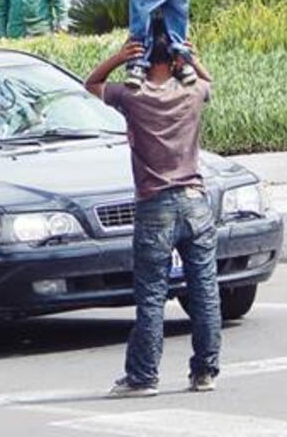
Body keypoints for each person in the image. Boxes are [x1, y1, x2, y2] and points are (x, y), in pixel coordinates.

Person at [84, 21, 220, 397]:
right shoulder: (191, 92)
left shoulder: (134, 96)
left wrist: (118, 58)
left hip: (154, 205)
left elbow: (90, 86)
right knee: (205, 289)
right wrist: (191, 58)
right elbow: (209, 83)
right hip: (195, 202)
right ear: (175, 59)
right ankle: (205, 371)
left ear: (143, 58)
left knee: (151, 295)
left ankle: (143, 377)